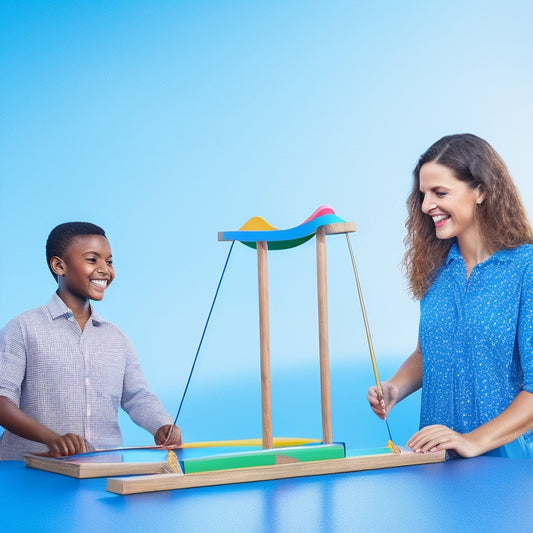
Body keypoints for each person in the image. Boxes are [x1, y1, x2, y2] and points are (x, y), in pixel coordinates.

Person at [368, 133, 533, 459]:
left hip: (506, 471)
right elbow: (427, 351)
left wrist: (471, 440)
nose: (427, 205)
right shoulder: (435, 268)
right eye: (423, 194)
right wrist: (395, 387)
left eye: (439, 192)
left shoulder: (525, 268)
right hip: (436, 466)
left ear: (481, 192)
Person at [0, 222, 182, 460]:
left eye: (109, 261)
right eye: (92, 259)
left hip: (101, 473)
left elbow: (138, 396)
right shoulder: (23, 328)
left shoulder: (116, 337)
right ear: (59, 265)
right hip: (29, 474)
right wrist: (52, 439)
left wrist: (162, 424)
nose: (104, 269)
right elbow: (2, 400)